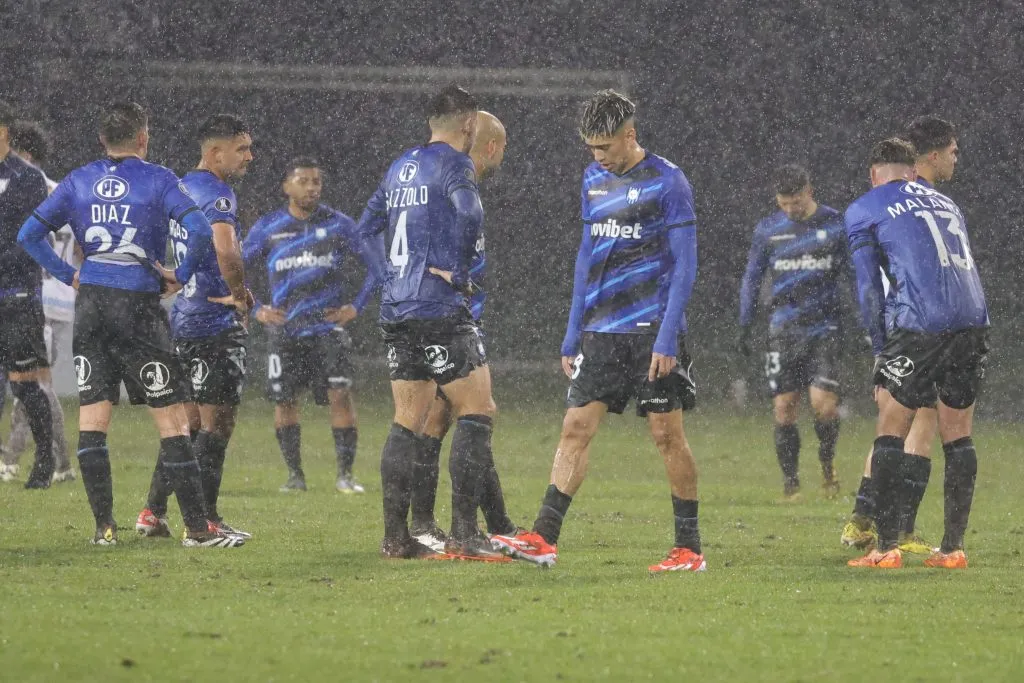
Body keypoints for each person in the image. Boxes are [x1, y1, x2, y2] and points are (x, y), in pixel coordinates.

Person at [490, 90, 703, 572]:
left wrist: (668, 337)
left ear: (630, 134)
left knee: (667, 436)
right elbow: (587, 254)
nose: (597, 155)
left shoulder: (668, 182)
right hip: (602, 330)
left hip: (652, 332)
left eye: (604, 146)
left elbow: (686, 265)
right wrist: (572, 331)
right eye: (591, 147)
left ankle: (689, 549)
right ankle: (544, 538)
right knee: (575, 426)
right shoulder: (592, 179)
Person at [17, 101, 243, 547]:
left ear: (103, 140)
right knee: (174, 419)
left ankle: (104, 528)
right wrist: (180, 275)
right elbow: (200, 233)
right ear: (143, 137)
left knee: (94, 417)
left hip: (93, 305)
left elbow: (28, 235)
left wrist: (71, 276)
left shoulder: (79, 180)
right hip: (137, 304)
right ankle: (198, 530)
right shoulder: (159, 179)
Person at [356, 85, 511, 561]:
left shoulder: (401, 165)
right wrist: (459, 274)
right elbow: (470, 210)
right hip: (437, 308)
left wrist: (389, 276)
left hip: (397, 309)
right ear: (467, 124)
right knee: (478, 411)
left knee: (408, 419)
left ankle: (395, 538)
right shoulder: (455, 164)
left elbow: (364, 229)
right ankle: (466, 533)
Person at [844, 138, 987, 569]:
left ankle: (885, 548)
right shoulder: (947, 204)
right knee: (958, 434)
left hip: (920, 324)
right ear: (912, 171)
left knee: (892, 426)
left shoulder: (865, 208)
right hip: (973, 322)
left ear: (874, 174)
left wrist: (879, 347)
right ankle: (952, 548)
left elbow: (869, 288)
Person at [137, 114, 254, 540]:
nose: (249, 157)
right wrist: (240, 293)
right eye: (241, 148)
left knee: (184, 424)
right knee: (216, 423)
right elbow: (226, 250)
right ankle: (204, 519)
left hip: (181, 319)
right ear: (215, 151)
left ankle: (153, 511)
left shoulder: (180, 186)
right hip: (212, 320)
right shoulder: (217, 193)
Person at [408, 110, 518, 552]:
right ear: (490, 147)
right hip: (446, 314)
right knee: (463, 413)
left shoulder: (437, 180)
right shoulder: (454, 187)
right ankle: (451, 527)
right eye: (503, 146)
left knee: (461, 414)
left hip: (452, 312)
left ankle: (494, 523)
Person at [243, 158, 373, 493]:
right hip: (285, 332)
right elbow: (233, 270)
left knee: (340, 396)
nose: (312, 187)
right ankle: (295, 476)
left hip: (327, 330)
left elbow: (377, 269)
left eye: (316, 181)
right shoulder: (268, 227)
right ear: (286, 186)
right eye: (303, 181)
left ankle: (345, 475)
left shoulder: (339, 224)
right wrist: (256, 309)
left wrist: (354, 308)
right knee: (285, 401)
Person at [736, 165, 852, 501]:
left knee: (824, 406)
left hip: (825, 328)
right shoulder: (768, 230)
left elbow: (856, 274)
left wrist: (864, 319)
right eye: (784, 203)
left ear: (809, 191)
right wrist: (744, 323)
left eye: (796, 201)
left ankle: (827, 465)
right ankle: (791, 483)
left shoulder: (835, 224)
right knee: (785, 408)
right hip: (783, 330)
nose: (791, 209)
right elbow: (752, 277)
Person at [1, 120, 74, 483]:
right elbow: (78, 247)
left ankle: (24, 458)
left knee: (30, 383)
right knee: (35, 383)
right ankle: (57, 462)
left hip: (33, 295)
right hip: (55, 297)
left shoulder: (29, 184)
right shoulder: (61, 192)